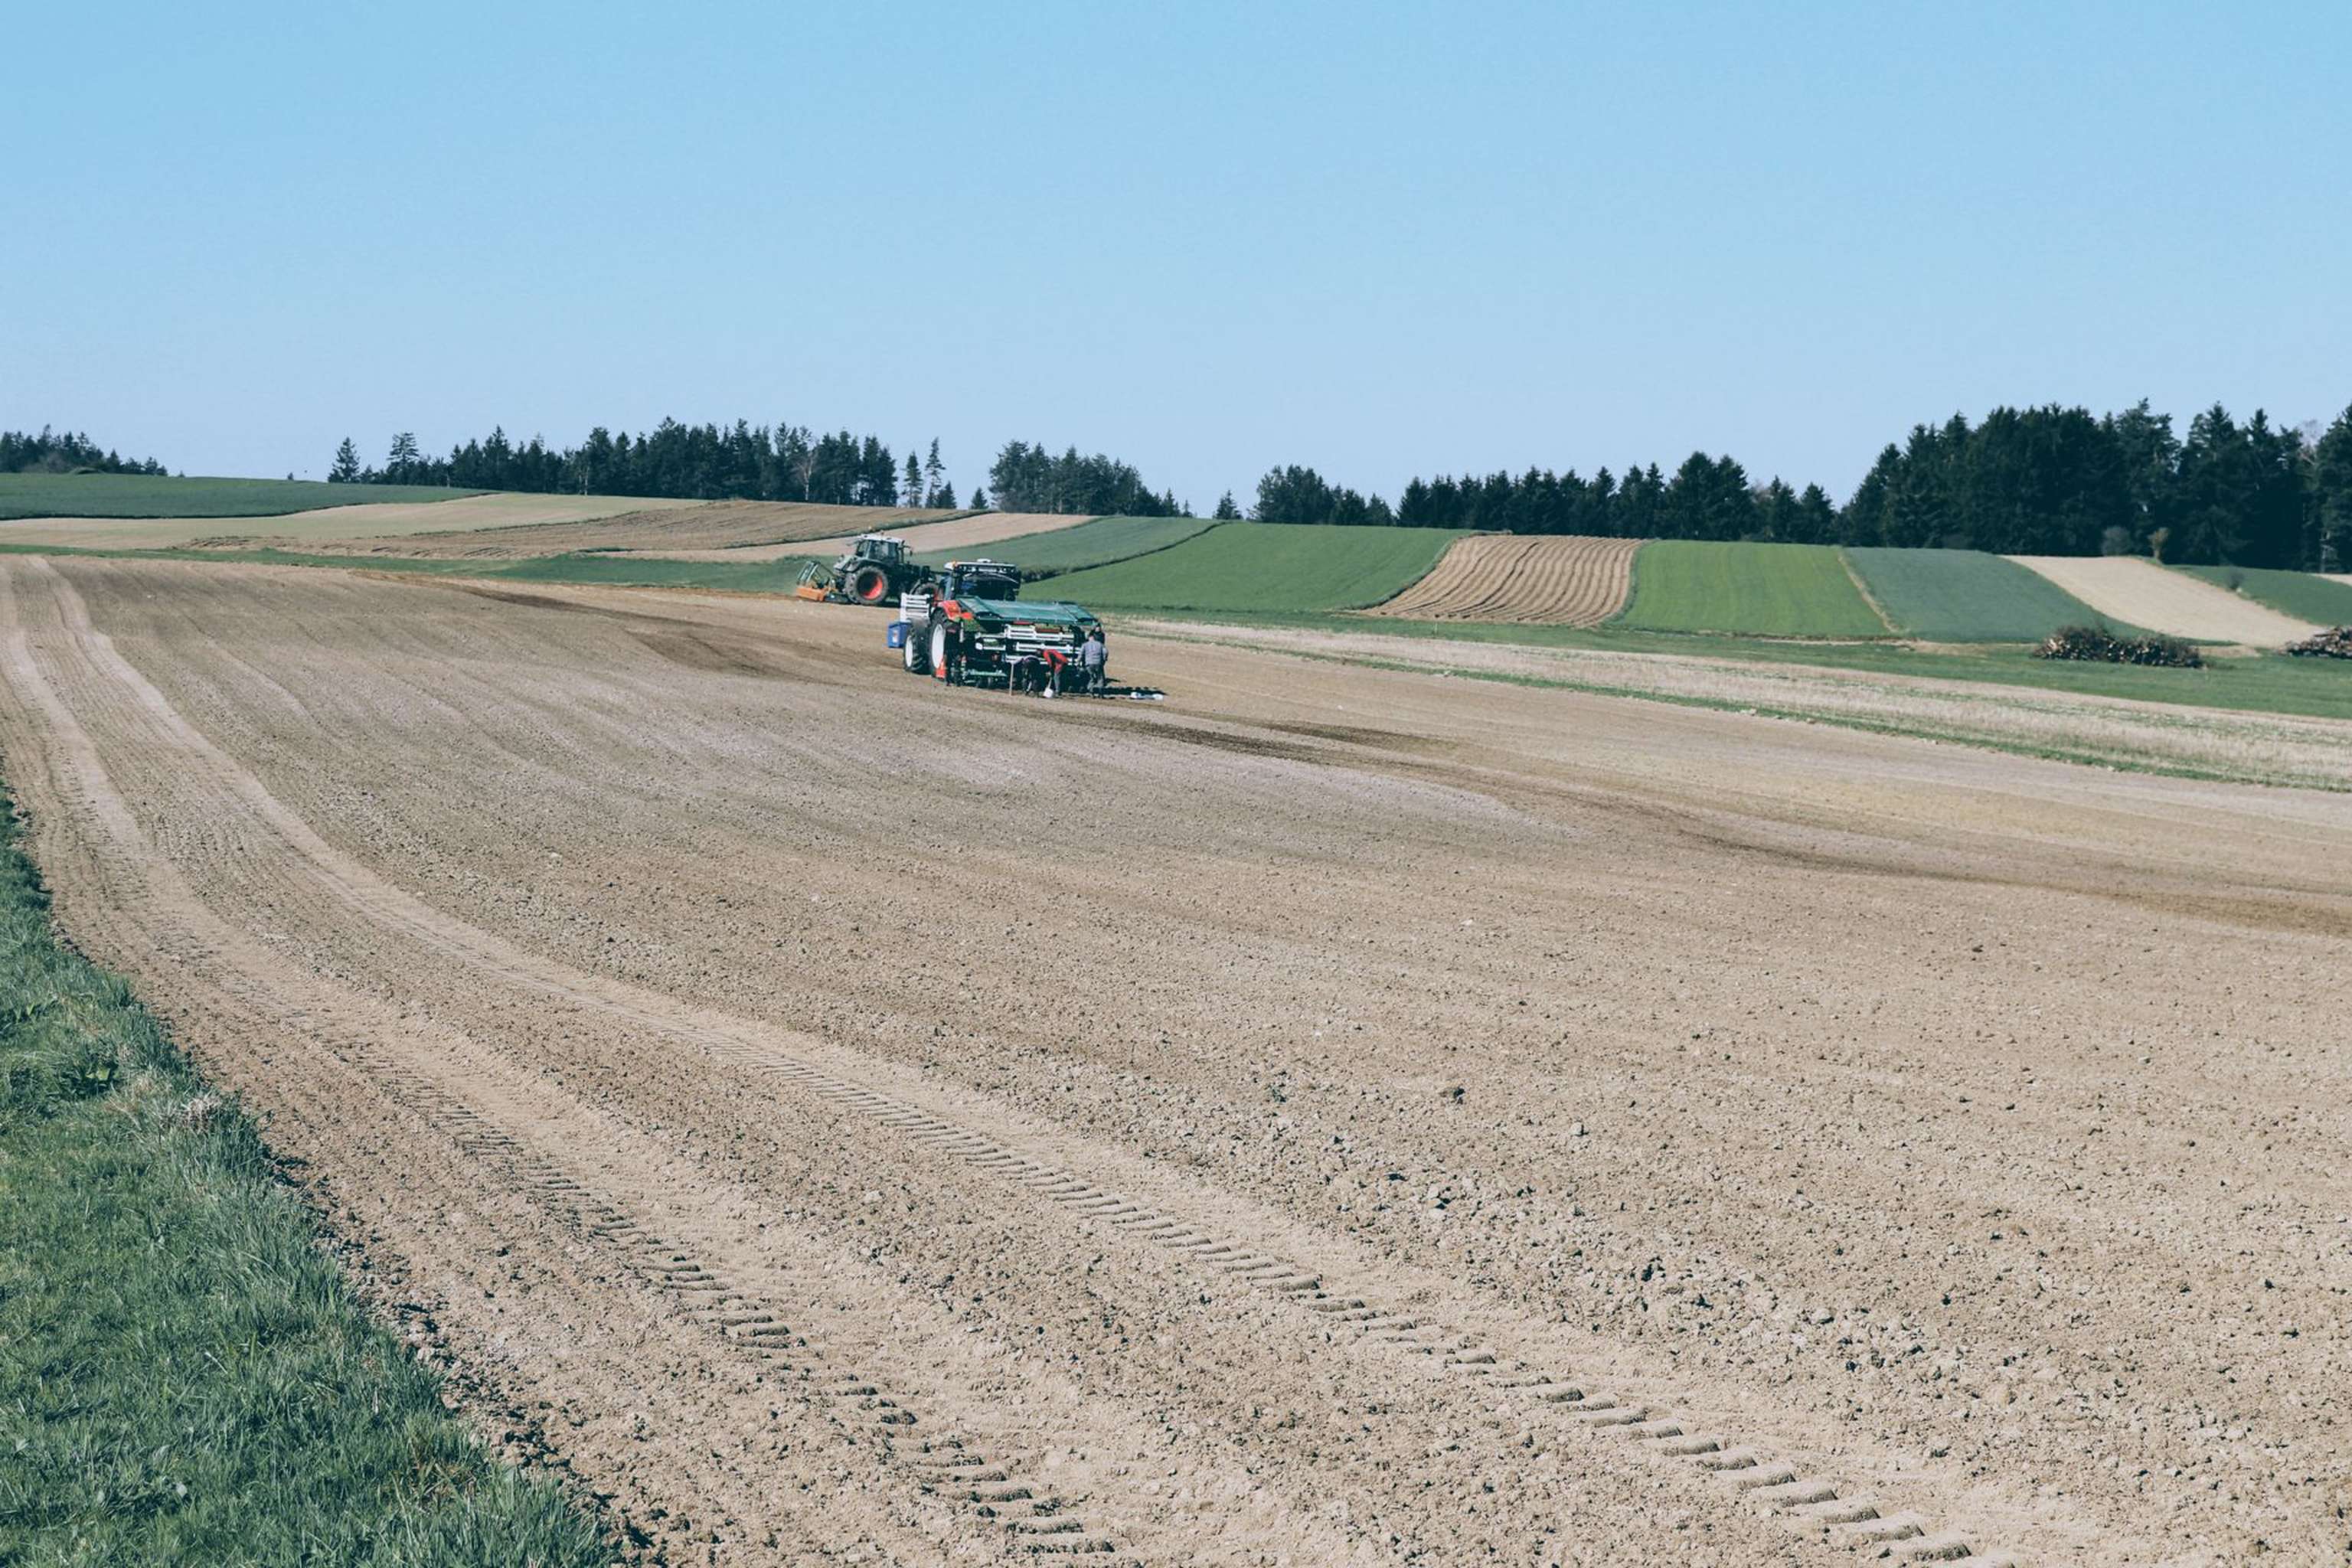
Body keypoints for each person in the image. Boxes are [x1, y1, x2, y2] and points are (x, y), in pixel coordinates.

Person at [1079, 628, 1106, 693]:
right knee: (1100, 677)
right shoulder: (1100, 644)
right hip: (1098, 663)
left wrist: (1078, 662)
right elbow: (1105, 652)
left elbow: (1081, 654)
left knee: (1091, 677)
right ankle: (1100, 691)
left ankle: (1090, 689)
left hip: (1089, 664)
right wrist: (1104, 660)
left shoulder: (1085, 645)